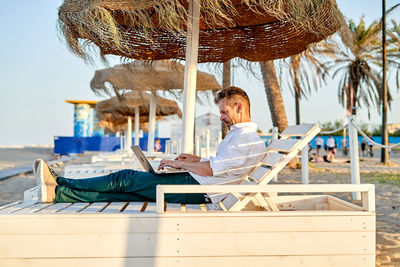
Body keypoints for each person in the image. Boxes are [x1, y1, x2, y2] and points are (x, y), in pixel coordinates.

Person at [36, 86, 267, 205]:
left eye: (224, 112)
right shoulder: (241, 135)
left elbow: (211, 171)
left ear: (239, 107)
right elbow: (221, 167)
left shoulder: (244, 138)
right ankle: (59, 193)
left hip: (198, 188)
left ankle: (61, 181)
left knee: (125, 179)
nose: (221, 117)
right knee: (132, 194)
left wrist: (179, 165)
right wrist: (193, 160)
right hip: (202, 187)